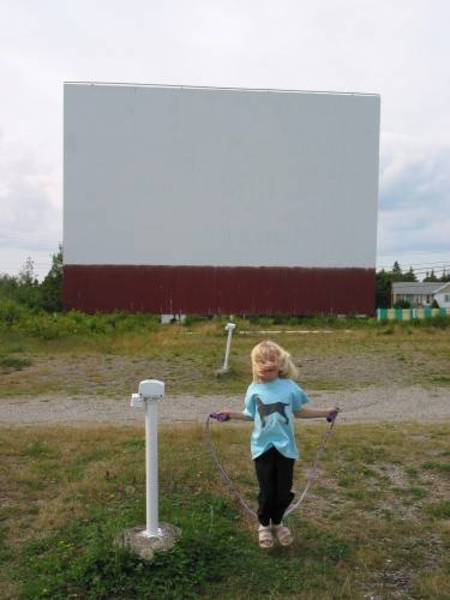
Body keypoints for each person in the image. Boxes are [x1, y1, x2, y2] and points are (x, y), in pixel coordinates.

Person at [215, 340, 339, 549]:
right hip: (262, 448)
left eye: (271, 360)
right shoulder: (253, 389)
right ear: (254, 365)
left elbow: (298, 411)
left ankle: (278, 522)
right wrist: (230, 414)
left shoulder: (290, 387)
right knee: (267, 490)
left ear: (280, 364)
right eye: (260, 361)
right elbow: (249, 415)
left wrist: (325, 413)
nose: (266, 364)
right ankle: (264, 525)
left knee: (284, 490)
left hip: (286, 448)